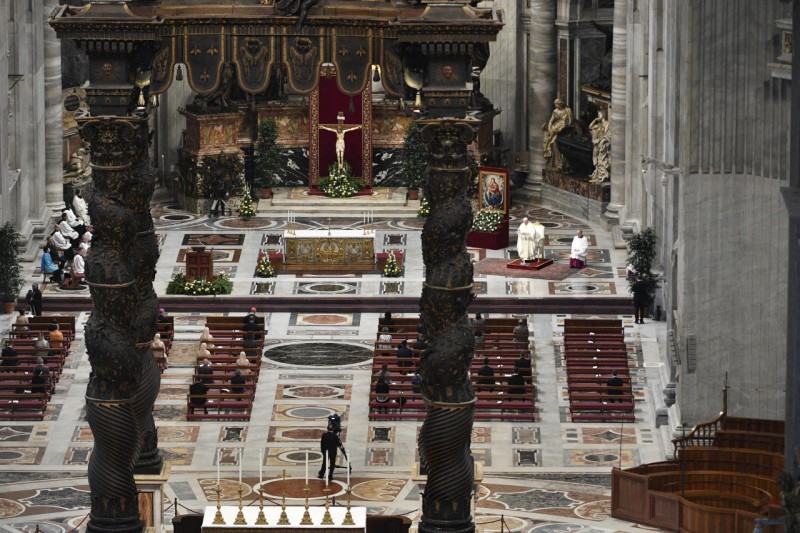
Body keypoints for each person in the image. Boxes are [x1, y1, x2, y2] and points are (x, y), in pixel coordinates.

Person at [542, 98, 574, 170]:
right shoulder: (555, 111)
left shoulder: (567, 111)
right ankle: (554, 162)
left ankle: (560, 162)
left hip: (564, 130)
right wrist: (550, 128)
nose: (556, 106)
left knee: (555, 142)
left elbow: (568, 122)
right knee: (550, 142)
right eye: (555, 104)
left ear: (561, 104)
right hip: (555, 128)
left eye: (557, 104)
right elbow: (551, 121)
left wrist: (560, 128)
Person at [588, 109, 611, 184]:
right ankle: (598, 175)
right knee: (596, 160)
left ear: (604, 115)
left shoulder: (608, 124)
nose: (598, 116)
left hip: (604, 145)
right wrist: (595, 120)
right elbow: (590, 127)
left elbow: (609, 135)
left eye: (599, 115)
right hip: (597, 144)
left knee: (601, 160)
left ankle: (603, 175)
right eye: (598, 115)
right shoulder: (598, 125)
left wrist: (602, 141)